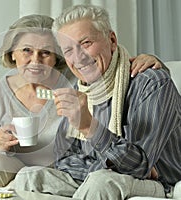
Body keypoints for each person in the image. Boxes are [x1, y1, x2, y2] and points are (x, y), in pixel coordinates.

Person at [0, 14, 164, 188]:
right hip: (15, 168)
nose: (36, 60)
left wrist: (155, 62)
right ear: (12, 53)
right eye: (27, 50)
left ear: (58, 56)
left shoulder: (78, 80)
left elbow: (115, 67)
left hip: (64, 172)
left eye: (46, 52)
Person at [13, 5, 181, 199]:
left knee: (101, 181)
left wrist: (88, 126)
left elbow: (140, 166)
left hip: (159, 183)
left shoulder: (151, 83)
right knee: (29, 177)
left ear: (112, 40)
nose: (79, 57)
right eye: (68, 50)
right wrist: (107, 165)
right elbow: (64, 159)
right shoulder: (80, 89)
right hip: (95, 175)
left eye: (86, 43)